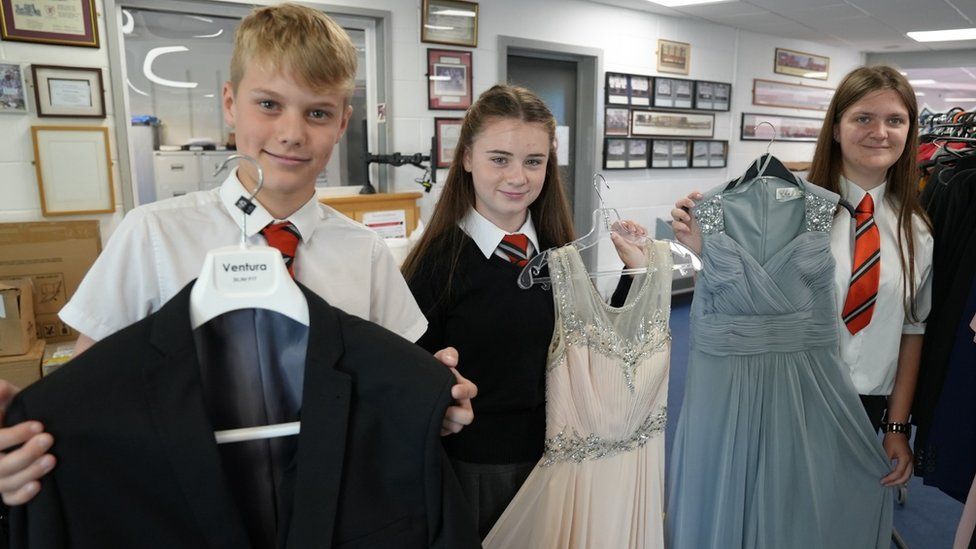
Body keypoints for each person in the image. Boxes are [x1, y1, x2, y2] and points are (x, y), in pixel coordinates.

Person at [0, 3, 476, 507]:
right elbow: (86, 397)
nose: (292, 133)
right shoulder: (152, 236)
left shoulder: (366, 253)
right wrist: (22, 452)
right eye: (269, 104)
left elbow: (399, 383)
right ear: (229, 103)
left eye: (317, 112)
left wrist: (438, 401)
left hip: (333, 504)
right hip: (184, 506)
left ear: (342, 123)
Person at [401, 84, 648, 538]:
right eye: (500, 158)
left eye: (533, 161)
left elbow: (593, 347)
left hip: (560, 452)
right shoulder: (438, 263)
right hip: (480, 468)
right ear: (468, 158)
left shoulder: (558, 252)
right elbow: (412, 377)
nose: (518, 176)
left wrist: (634, 274)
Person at [671, 64, 932, 489]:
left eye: (895, 120)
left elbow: (912, 330)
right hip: (785, 396)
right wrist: (706, 248)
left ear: (909, 130)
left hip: (866, 405)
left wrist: (897, 427)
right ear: (836, 128)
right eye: (863, 118)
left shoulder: (915, 230)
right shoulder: (783, 208)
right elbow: (735, 305)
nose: (879, 132)